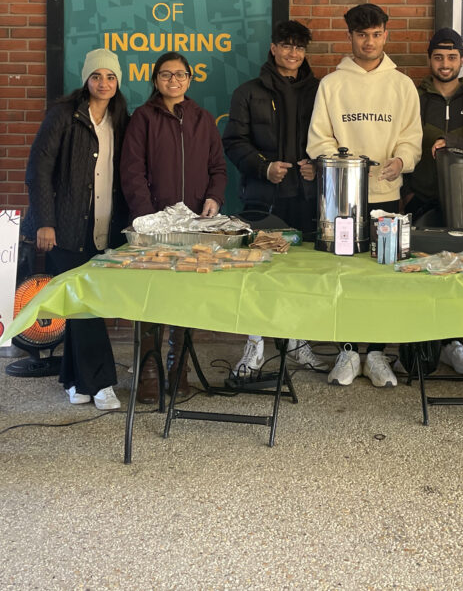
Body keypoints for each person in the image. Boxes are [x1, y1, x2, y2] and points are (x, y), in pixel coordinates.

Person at [307, 3, 421, 388]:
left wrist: (401, 161)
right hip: (342, 198)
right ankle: (347, 352)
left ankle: (376, 354)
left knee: (382, 276)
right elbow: (320, 139)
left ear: (386, 34)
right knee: (346, 275)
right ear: (350, 37)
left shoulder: (401, 85)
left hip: (386, 193)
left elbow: (411, 136)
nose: (369, 42)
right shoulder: (332, 85)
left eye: (375, 34)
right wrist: (343, 168)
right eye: (361, 35)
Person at [23, 49, 128, 410]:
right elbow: (38, 171)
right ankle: (101, 383)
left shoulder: (119, 118)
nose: (104, 83)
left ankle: (73, 378)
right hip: (64, 228)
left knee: (85, 303)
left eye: (111, 77)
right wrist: (45, 222)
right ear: (86, 80)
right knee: (85, 305)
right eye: (97, 76)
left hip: (103, 228)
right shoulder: (64, 116)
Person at [222, 20, 327, 374]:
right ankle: (254, 345)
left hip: (308, 198)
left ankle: (298, 341)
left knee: (303, 274)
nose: (293, 53)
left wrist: (318, 165)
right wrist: (264, 167)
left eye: (299, 47)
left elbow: (332, 137)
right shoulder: (248, 92)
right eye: (286, 45)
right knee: (256, 274)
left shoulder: (322, 91)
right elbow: (234, 142)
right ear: (273, 47)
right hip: (262, 199)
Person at [122, 52, 228, 401]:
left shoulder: (203, 119)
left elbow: (218, 169)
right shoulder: (142, 118)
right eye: (166, 75)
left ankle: (177, 367)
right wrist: (148, 219)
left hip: (193, 228)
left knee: (184, 296)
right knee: (152, 296)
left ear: (189, 79)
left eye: (180, 75)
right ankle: (150, 372)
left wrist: (213, 197)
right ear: (155, 80)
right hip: (153, 227)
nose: (173, 81)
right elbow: (132, 171)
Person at [405, 28, 463, 225]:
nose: (445, 64)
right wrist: (406, 195)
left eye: (452, 57)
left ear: (462, 60)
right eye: (438, 57)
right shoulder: (413, 99)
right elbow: (395, 145)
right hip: (419, 203)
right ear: (429, 59)